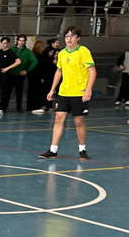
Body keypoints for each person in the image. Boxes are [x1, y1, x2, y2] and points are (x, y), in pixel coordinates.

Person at [40, 26, 95, 160]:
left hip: (79, 92)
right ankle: (53, 150)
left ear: (78, 38)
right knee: (58, 119)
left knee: (78, 121)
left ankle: (82, 150)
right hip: (64, 92)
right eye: (67, 36)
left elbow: (92, 71)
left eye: (72, 36)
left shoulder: (83, 51)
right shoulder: (62, 53)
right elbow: (59, 71)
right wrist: (52, 89)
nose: (69, 39)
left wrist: (88, 90)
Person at [0, 36, 20, 115]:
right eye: (2, 43)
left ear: (7, 44)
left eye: (5, 43)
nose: (3, 45)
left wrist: (8, 68)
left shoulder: (10, 52)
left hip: (6, 75)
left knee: (4, 92)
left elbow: (18, 61)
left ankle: (2, 108)